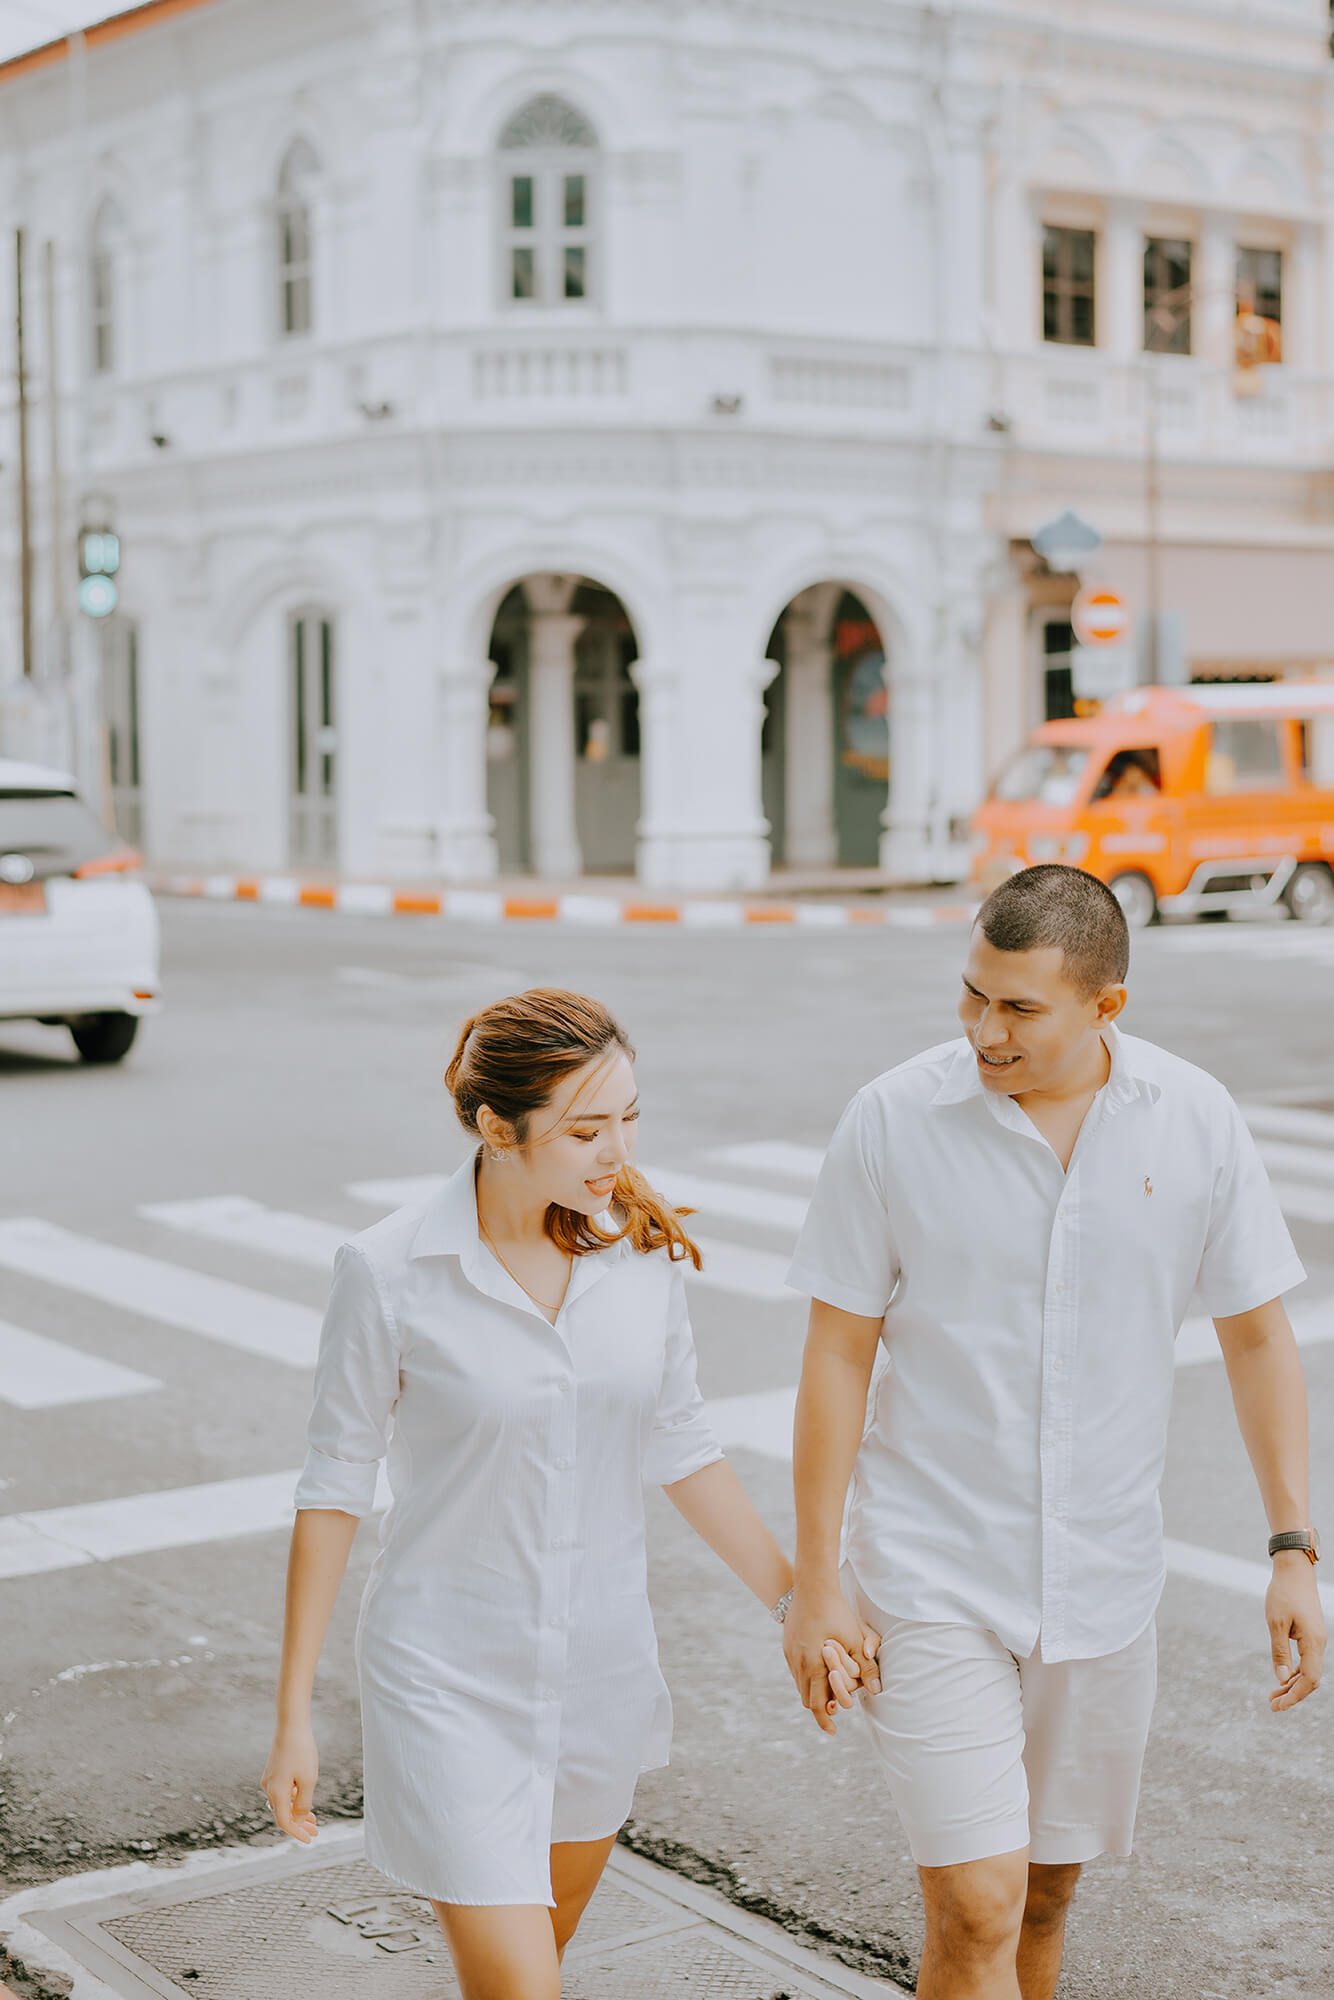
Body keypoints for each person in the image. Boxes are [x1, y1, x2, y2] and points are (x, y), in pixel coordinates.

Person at [262, 987, 876, 2000]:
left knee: (533, 1964)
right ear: (493, 1126)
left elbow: (679, 1441)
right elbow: (331, 1485)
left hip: (599, 1673)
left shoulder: (634, 1247)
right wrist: (294, 1713)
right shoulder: (387, 1269)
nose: (617, 1149)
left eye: (629, 1117)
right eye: (586, 1128)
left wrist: (795, 1599)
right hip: (445, 1676)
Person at [782, 864, 1324, 2000]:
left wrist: (1290, 1549)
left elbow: (1258, 1338)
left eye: (1017, 1006)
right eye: (971, 993)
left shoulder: (1193, 1119)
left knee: (1042, 1896)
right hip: (931, 1569)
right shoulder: (893, 1117)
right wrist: (817, 1584)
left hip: (1102, 1580)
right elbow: (837, 1351)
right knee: (974, 1904)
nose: (984, 1027)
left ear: (1104, 1006)